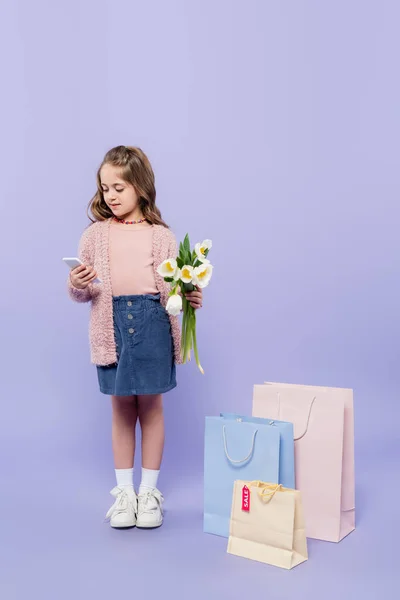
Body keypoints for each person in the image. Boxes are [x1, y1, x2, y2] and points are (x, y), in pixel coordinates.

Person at [67, 145, 203, 529]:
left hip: (152, 322)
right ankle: (125, 493)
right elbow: (85, 291)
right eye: (104, 187)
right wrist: (76, 284)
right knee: (121, 408)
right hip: (110, 325)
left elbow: (174, 292)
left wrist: (190, 295)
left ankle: (150, 494)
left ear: (140, 188)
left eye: (119, 188)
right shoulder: (94, 235)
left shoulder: (162, 237)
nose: (110, 195)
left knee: (152, 408)